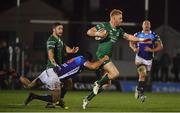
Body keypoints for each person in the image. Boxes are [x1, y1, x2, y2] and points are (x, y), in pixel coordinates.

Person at [82, 9, 150, 109]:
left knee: (107, 85)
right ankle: (98, 83)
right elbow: (89, 31)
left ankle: (87, 98)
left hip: (106, 58)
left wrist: (142, 40)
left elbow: (129, 37)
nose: (122, 20)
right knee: (115, 73)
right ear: (114, 18)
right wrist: (97, 34)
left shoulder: (119, 30)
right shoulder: (105, 26)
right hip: (101, 56)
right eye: (120, 18)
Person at [20, 53, 109, 107]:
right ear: (88, 59)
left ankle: (16, 75)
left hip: (49, 71)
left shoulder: (77, 58)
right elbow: (93, 66)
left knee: (29, 85)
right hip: (54, 77)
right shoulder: (82, 60)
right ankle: (34, 96)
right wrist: (103, 59)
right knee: (54, 100)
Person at [46, 22, 79, 109]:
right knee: (31, 85)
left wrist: (71, 50)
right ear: (54, 29)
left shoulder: (59, 40)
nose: (61, 30)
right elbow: (50, 54)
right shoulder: (52, 40)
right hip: (52, 67)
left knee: (69, 83)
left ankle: (58, 100)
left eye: (62, 29)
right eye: (59, 29)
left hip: (59, 67)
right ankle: (52, 101)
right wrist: (54, 63)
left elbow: (65, 47)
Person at [129, 20, 163, 102]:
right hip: (139, 58)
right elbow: (131, 42)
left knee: (144, 76)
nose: (146, 25)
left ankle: (138, 88)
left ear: (150, 26)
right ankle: (142, 94)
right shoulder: (137, 34)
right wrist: (134, 48)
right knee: (142, 74)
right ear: (142, 26)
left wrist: (152, 50)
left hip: (149, 59)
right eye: (145, 24)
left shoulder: (154, 35)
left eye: (148, 24)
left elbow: (161, 46)